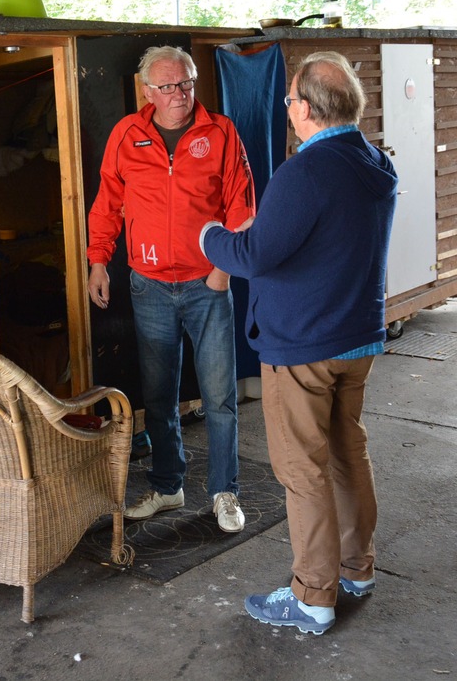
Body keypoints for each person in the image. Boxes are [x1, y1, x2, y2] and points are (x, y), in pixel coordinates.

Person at [199, 51, 398, 634]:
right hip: (354, 340)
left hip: (304, 346)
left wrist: (212, 236)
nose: (287, 109)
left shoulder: (305, 172)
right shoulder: (373, 161)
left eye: (289, 100)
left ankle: (312, 596)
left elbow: (254, 253)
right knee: (345, 456)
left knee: (302, 471)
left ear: (305, 109)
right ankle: (356, 569)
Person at [87, 45, 256, 533]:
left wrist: (222, 272)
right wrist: (99, 261)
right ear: (148, 92)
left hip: (208, 285)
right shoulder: (127, 134)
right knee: (158, 396)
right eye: (167, 87)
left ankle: (225, 491)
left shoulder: (220, 132)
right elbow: (107, 203)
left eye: (185, 83)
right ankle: (167, 486)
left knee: (219, 396)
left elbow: (242, 208)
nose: (179, 94)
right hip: (150, 286)